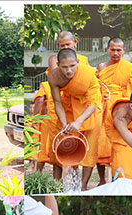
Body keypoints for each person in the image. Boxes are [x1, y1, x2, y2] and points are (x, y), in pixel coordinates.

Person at [48, 48, 102, 190]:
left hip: (90, 111)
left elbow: (93, 104)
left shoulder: (88, 74)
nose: (69, 71)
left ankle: (83, 187)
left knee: (90, 149)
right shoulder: (54, 77)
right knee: (66, 145)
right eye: (64, 67)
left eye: (72, 66)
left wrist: (79, 121)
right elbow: (57, 102)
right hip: (69, 108)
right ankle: (60, 185)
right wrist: (64, 123)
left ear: (78, 62)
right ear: (58, 64)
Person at [96, 37, 132, 185]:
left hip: (121, 108)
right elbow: (96, 88)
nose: (115, 53)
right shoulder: (102, 67)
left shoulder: (128, 68)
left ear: (123, 50)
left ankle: (117, 178)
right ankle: (102, 180)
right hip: (104, 108)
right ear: (108, 50)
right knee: (102, 144)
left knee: (119, 144)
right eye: (113, 49)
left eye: (118, 50)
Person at [31, 81, 59, 173]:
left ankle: (38, 174)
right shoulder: (66, 84)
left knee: (43, 149)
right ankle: (60, 180)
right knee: (59, 148)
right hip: (63, 120)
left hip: (48, 119)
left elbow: (39, 100)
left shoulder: (46, 85)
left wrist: (35, 117)